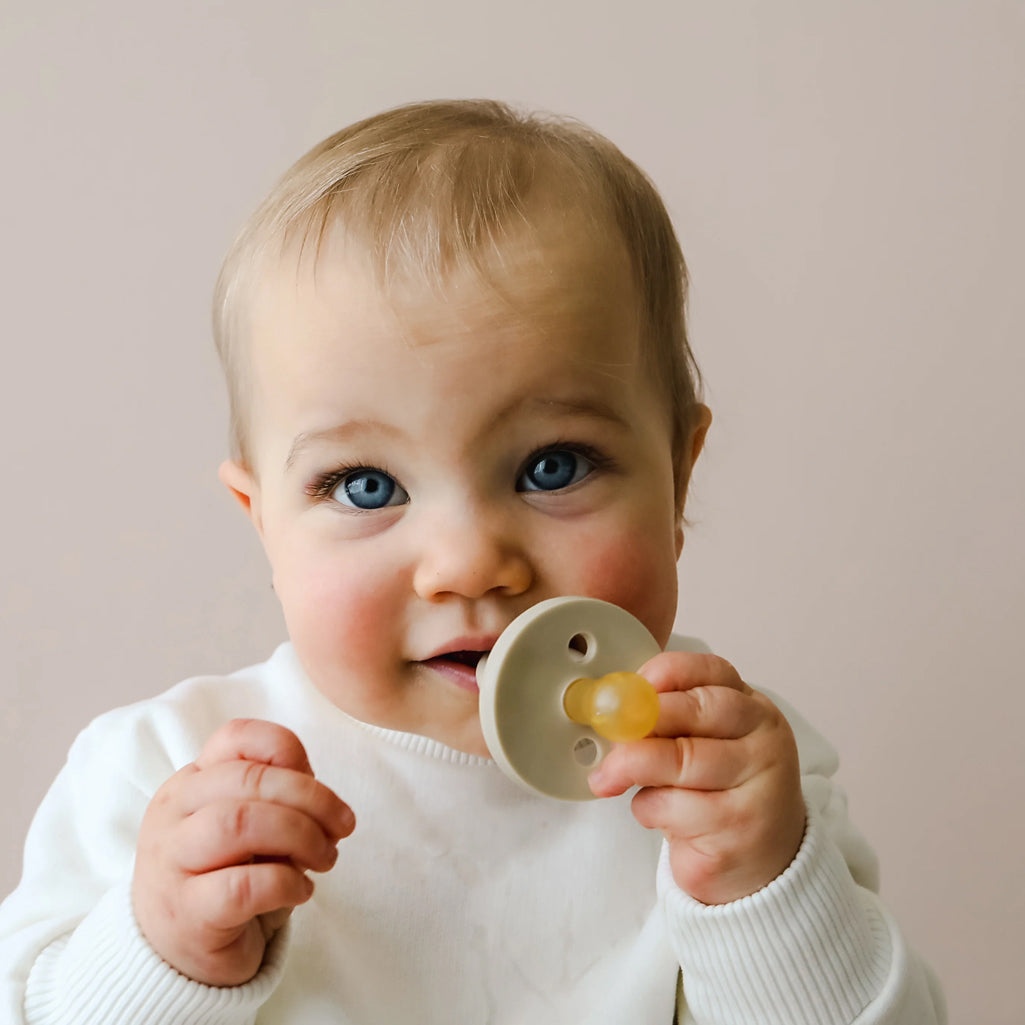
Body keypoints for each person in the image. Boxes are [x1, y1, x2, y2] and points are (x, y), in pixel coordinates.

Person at [0, 99, 945, 1024]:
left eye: (552, 467)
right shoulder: (162, 774)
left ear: (677, 474)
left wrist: (760, 894)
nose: (467, 565)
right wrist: (160, 951)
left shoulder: (729, 777)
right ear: (263, 523)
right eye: (367, 485)